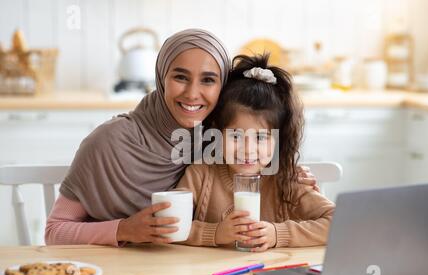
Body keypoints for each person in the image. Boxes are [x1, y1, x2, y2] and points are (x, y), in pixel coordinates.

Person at [45, 29, 318, 247]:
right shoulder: (108, 142)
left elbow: (255, 151)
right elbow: (54, 232)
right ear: (162, 77)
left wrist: (285, 169)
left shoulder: (214, 139)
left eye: (208, 80)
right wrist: (124, 229)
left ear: (222, 89)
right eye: (180, 77)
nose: (192, 93)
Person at [177, 54, 335, 252]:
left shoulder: (288, 179)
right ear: (217, 133)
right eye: (235, 135)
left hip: (270, 274)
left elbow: (339, 221)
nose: (248, 149)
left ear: (278, 140)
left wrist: (278, 234)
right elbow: (170, 225)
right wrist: (215, 233)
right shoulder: (200, 175)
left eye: (260, 137)